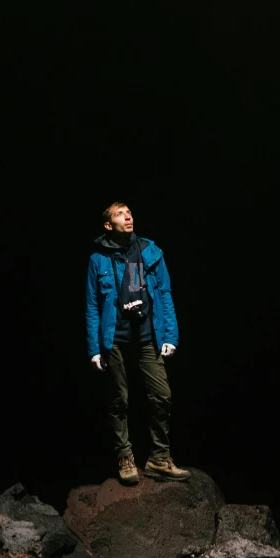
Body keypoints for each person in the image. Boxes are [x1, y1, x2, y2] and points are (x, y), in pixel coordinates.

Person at [85, 202, 186, 485]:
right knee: (119, 399)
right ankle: (124, 456)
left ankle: (158, 458)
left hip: (147, 334)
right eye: (119, 214)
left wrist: (170, 335)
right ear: (108, 225)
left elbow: (165, 293)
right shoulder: (98, 259)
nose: (127, 216)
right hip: (115, 337)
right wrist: (94, 348)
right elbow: (92, 304)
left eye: (128, 212)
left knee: (161, 395)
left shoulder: (149, 251)